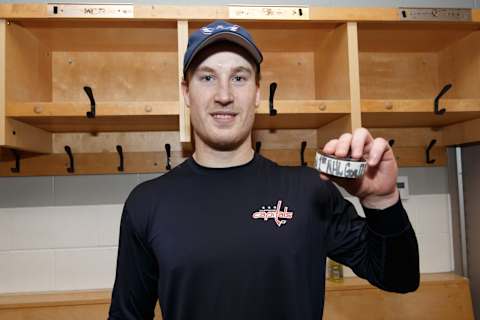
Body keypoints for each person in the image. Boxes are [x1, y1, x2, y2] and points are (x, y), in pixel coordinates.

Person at [108, 20, 419, 320]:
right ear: (186, 93)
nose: (224, 95)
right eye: (207, 78)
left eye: (239, 78)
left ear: (257, 93)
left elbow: (399, 278)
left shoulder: (309, 191)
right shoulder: (147, 203)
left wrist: (382, 202)